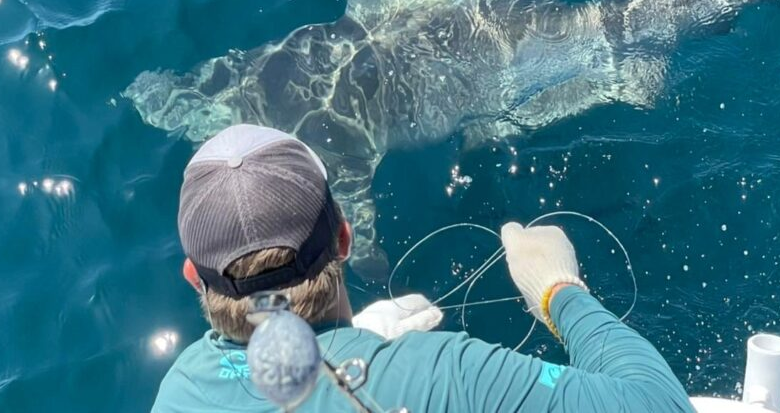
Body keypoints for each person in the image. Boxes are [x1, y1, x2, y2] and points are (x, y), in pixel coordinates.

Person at [153, 124, 695, 413]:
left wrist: (352, 340)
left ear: (193, 277)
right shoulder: (445, 373)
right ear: (345, 235)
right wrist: (560, 294)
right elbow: (662, 406)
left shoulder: (179, 392)